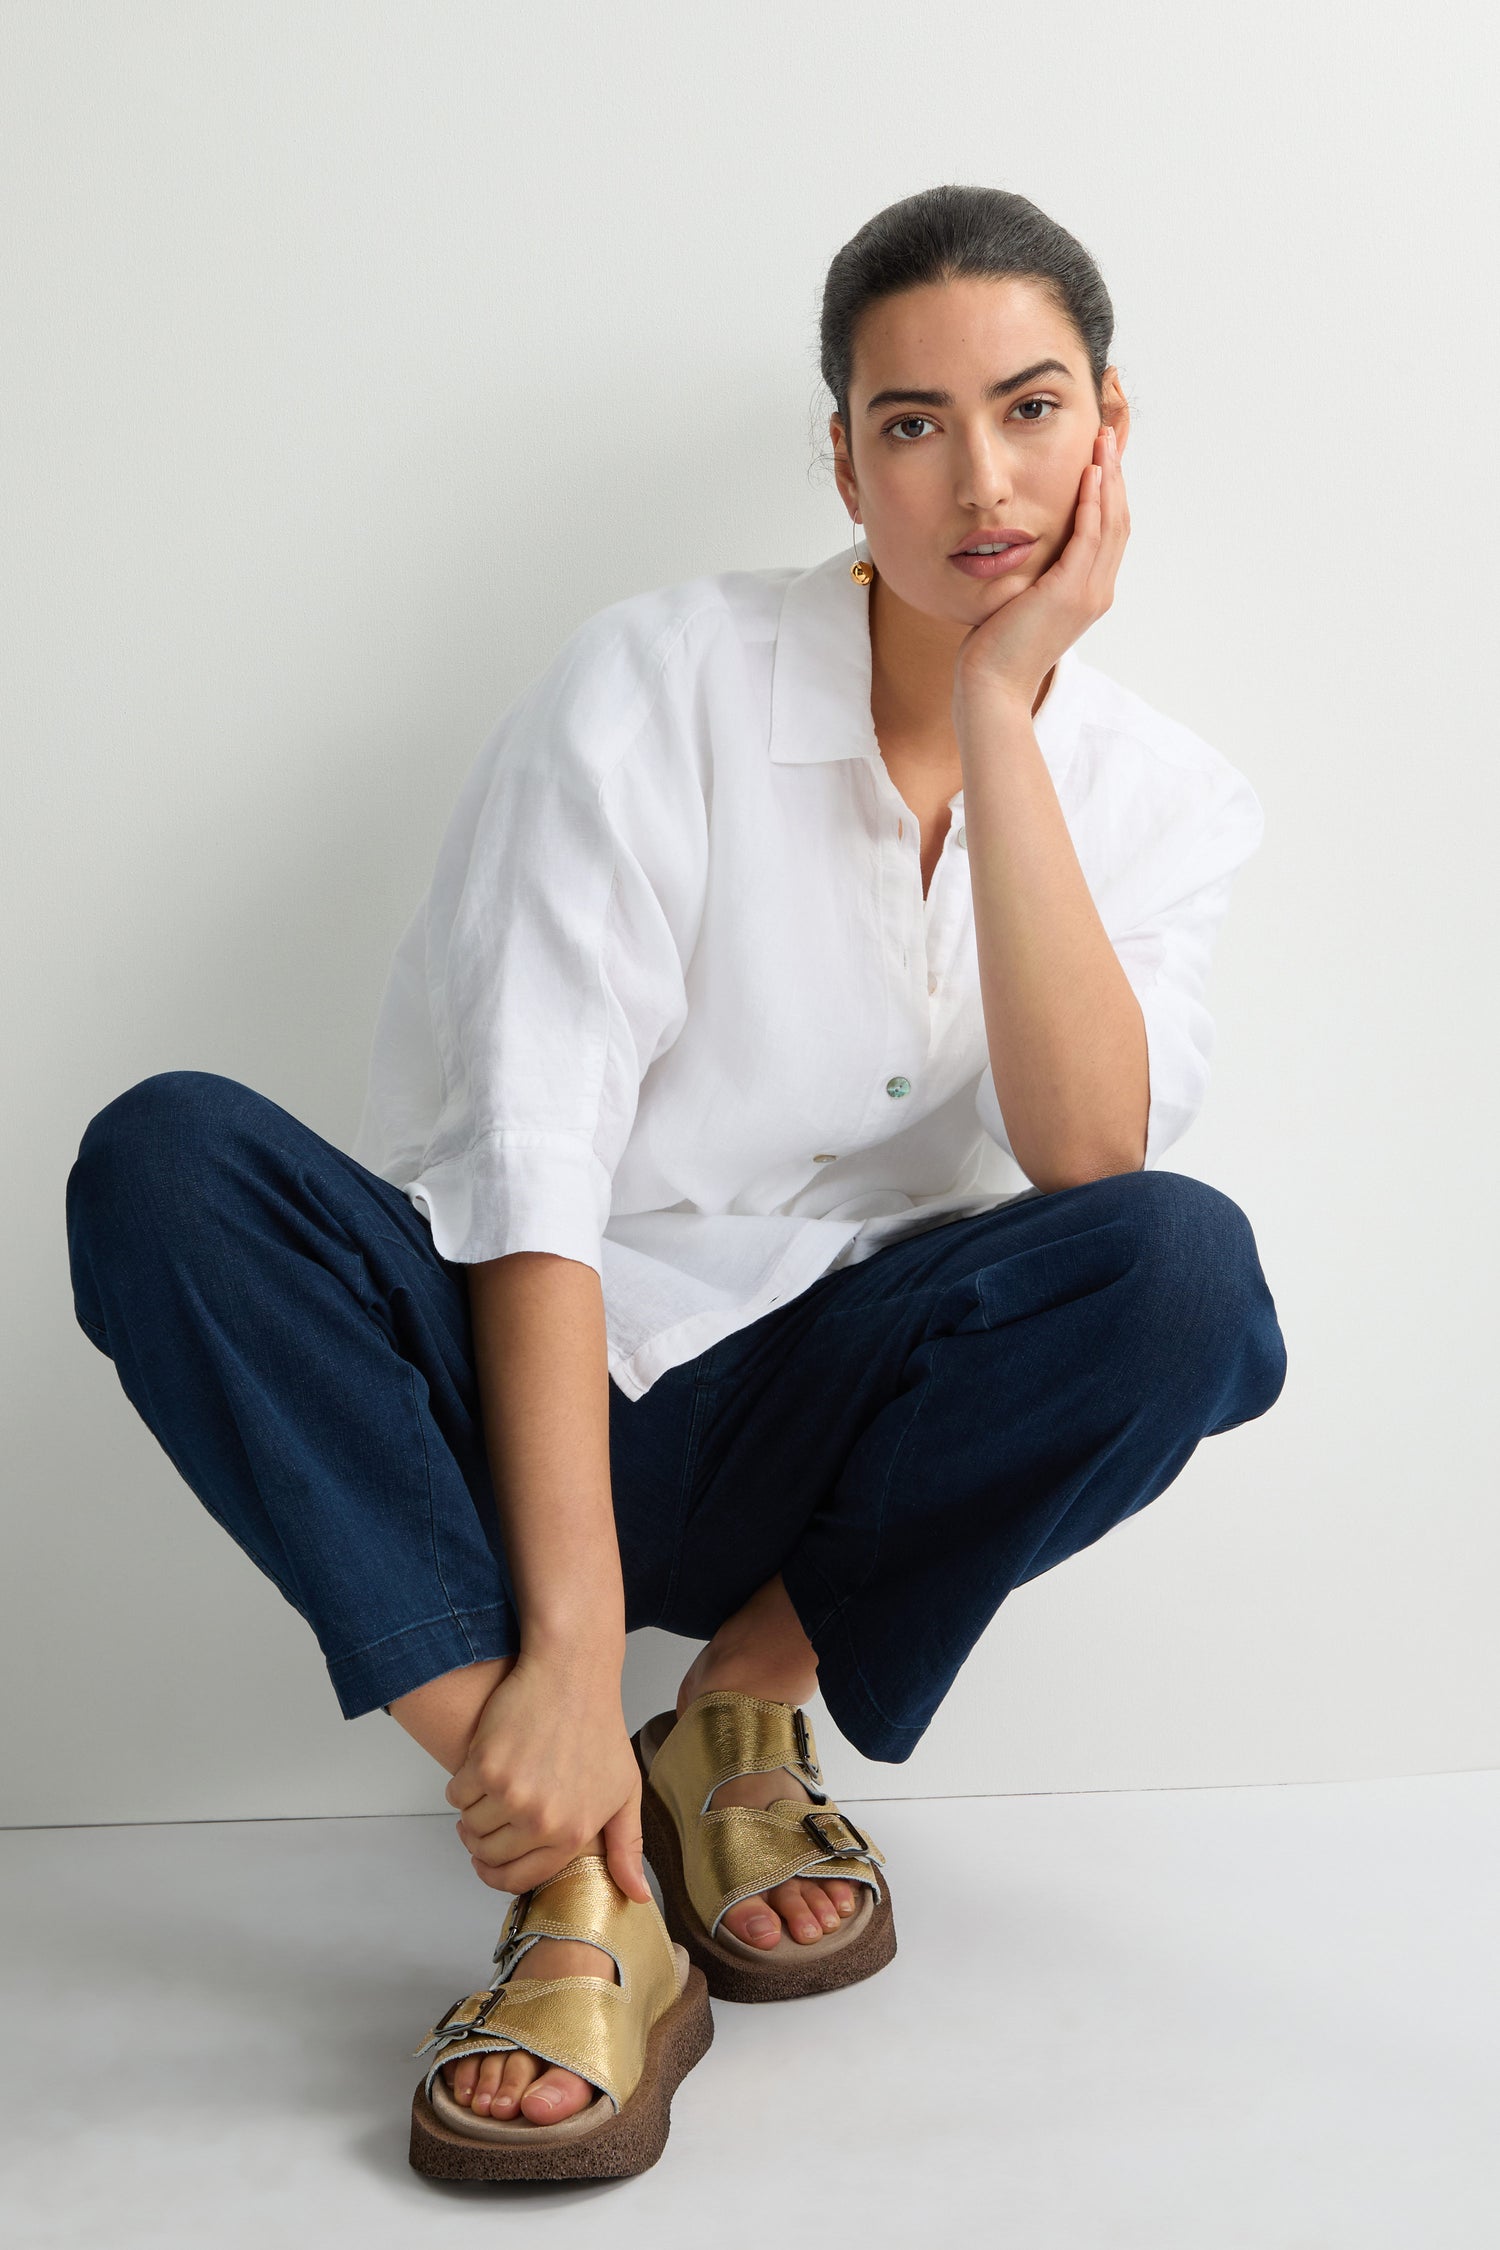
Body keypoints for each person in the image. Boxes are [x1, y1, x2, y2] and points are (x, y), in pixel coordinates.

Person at [64, 184, 1287, 2180]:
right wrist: (556, 1663)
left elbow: (1087, 1158)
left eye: (1031, 407)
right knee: (170, 1163)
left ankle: (737, 1716)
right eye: (911, 423)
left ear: (1111, 430)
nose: (978, 477)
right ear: (842, 457)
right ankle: (584, 1875)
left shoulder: (1164, 798)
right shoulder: (658, 681)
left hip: (823, 1438)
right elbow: (534, 1165)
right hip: (515, 1379)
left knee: (1181, 1274)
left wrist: (1001, 708)